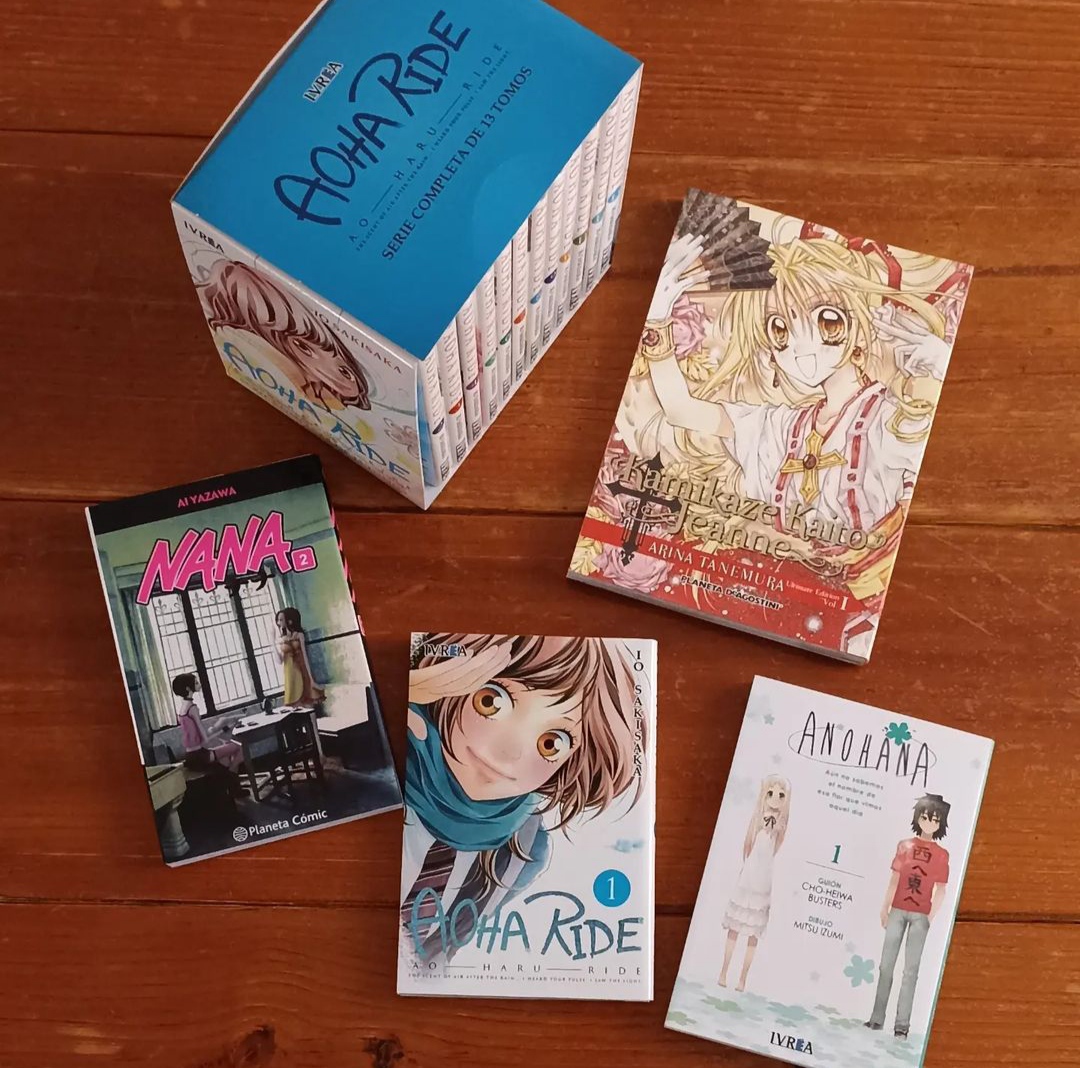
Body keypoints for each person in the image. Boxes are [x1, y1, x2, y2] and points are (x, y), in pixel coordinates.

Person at [399, 634, 644, 964]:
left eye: (551, 743)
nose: (509, 751)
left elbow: (436, 958)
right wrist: (411, 691)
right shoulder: (390, 758)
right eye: (491, 702)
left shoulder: (526, 850)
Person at [866, 794, 951, 1039]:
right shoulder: (904, 845)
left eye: (935, 819)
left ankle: (902, 1026)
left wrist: (930, 917)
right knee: (886, 965)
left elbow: (941, 889)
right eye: (925, 817)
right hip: (897, 910)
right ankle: (876, 1019)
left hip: (920, 916)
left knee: (910, 971)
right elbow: (894, 879)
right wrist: (884, 907)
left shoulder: (942, 854)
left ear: (940, 824)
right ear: (917, 818)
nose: (929, 822)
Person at [719, 774, 792, 991]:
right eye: (771, 793)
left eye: (781, 795)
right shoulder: (758, 818)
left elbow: (777, 845)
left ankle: (742, 978)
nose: (775, 798)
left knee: (753, 933)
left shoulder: (781, 824)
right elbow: (749, 843)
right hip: (750, 873)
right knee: (735, 926)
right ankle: (724, 971)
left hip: (763, 877)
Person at [171, 673, 246, 797]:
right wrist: (221, 727)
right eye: (196, 683)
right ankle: (230, 779)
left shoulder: (182, 709)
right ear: (188, 688)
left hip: (191, 755)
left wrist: (219, 728)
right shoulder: (192, 708)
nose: (199, 684)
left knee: (225, 758)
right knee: (239, 747)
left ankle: (233, 788)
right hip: (200, 756)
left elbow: (196, 737)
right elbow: (204, 739)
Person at [275, 607, 325, 706]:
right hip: (290, 673)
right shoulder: (281, 639)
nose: (279, 622)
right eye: (278, 620)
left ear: (289, 621)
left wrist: (311, 678)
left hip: (301, 669)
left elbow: (305, 656)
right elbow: (280, 660)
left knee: (307, 701)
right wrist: (272, 642)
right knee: (295, 704)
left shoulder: (299, 635)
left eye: (281, 620)